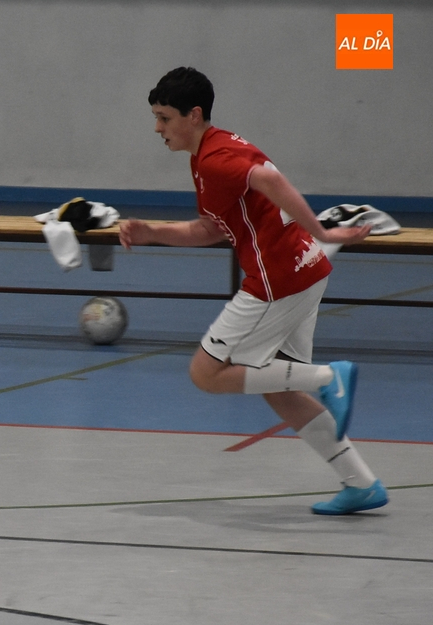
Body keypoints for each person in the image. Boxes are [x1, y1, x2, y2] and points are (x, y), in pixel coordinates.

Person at [119, 67, 388, 515]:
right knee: (279, 389)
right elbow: (211, 229)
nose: (157, 128)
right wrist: (153, 232)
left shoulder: (215, 160)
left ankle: (329, 377)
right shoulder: (212, 151)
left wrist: (323, 230)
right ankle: (361, 484)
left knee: (206, 373)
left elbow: (269, 179)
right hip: (304, 270)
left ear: (193, 115)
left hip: (276, 281)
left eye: (164, 118)